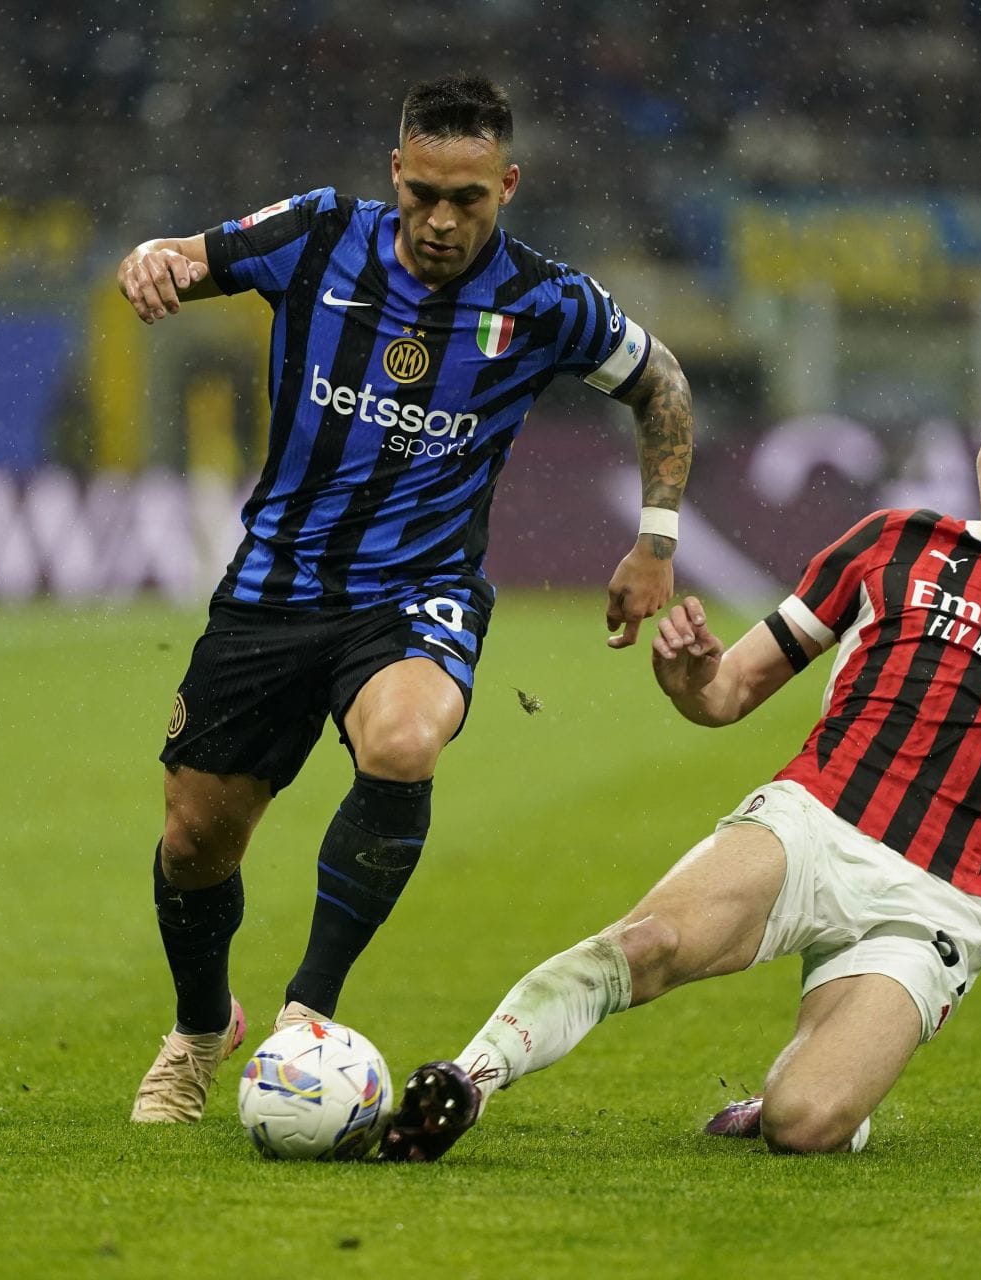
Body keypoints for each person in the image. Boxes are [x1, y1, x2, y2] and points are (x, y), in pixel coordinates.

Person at [382, 365, 981, 1161]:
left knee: (803, 1123)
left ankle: (808, 1088)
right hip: (812, 824)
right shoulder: (894, 542)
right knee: (646, 943)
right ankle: (466, 1080)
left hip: (937, 904)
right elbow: (726, 695)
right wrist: (688, 675)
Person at [120, 74, 694, 1123]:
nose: (441, 218)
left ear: (508, 186)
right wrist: (151, 258)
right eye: (424, 191)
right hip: (274, 587)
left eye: (467, 198)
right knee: (196, 842)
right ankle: (204, 1028)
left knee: (405, 739)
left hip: (416, 590)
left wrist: (656, 539)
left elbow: (662, 382)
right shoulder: (320, 231)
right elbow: (184, 259)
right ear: (396, 171)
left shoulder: (545, 300)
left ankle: (310, 1013)